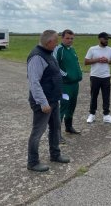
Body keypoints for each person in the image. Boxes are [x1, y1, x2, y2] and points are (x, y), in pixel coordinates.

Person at [27, 30, 70, 172]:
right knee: (38, 131)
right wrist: (43, 103)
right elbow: (34, 83)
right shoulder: (37, 57)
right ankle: (33, 162)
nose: (57, 44)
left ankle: (55, 154)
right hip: (43, 103)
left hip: (53, 100)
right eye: (56, 41)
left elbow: (54, 74)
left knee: (55, 128)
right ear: (49, 42)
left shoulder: (49, 54)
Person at [53, 29, 83, 142]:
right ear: (62, 38)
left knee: (72, 105)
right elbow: (55, 65)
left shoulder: (72, 50)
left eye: (72, 38)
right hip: (65, 85)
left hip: (75, 84)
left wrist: (79, 73)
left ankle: (69, 127)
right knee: (63, 107)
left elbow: (77, 62)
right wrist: (66, 75)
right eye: (67, 38)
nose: (70, 40)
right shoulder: (58, 49)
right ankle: (56, 134)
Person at [84, 32, 111, 124]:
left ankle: (106, 115)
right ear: (100, 39)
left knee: (106, 96)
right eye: (105, 39)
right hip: (95, 76)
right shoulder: (92, 49)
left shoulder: (110, 50)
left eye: (108, 39)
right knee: (93, 96)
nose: (107, 41)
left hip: (106, 77)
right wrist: (98, 59)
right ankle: (92, 114)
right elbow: (86, 62)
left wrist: (108, 61)